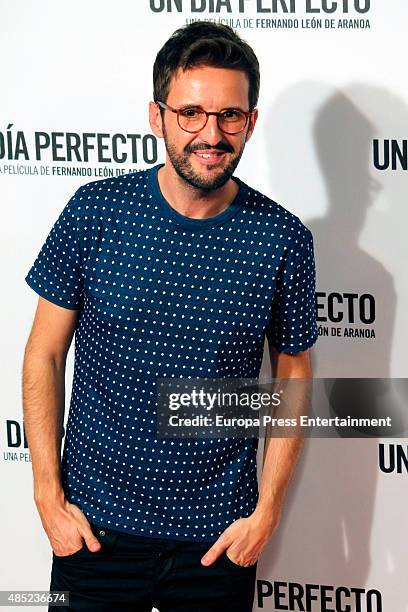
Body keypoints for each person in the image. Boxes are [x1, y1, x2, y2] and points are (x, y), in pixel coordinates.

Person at [22, 21, 318, 612]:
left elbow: (294, 372)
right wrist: (48, 497)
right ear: (157, 116)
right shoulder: (95, 212)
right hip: (94, 533)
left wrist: (267, 512)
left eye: (230, 115)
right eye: (190, 113)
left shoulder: (283, 238)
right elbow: (45, 353)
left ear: (251, 122)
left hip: (219, 541)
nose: (211, 134)